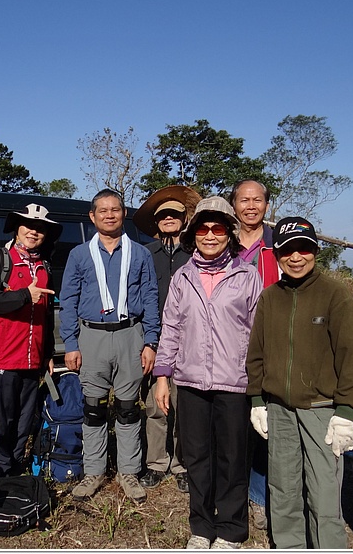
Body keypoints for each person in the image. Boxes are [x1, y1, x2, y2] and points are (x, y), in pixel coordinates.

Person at [246, 216, 353, 549]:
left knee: (324, 494)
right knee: (283, 489)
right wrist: (258, 400)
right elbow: (256, 352)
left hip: (322, 411)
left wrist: (347, 411)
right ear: (278, 255)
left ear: (315, 251)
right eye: (288, 250)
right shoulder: (270, 297)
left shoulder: (334, 294)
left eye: (304, 249)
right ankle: (289, 545)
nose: (296, 257)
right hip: (279, 410)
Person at [153, 196, 263, 549]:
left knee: (232, 459)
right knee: (197, 459)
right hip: (191, 382)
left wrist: (258, 382)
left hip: (234, 383)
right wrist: (162, 376)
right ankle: (202, 527)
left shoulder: (248, 275)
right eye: (204, 228)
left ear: (229, 233)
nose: (210, 235)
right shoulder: (183, 276)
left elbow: (258, 331)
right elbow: (170, 327)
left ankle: (231, 529)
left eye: (218, 228)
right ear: (194, 234)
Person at [59, 188, 160, 504]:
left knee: (129, 409)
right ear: (92, 216)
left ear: (124, 213)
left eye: (115, 209)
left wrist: (151, 341)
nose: (109, 215)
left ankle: (129, 472)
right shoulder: (79, 255)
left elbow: (151, 299)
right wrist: (71, 344)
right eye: (102, 210)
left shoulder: (140, 254)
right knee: (94, 408)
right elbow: (69, 300)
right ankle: (94, 471)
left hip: (131, 334)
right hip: (93, 337)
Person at [0, 203, 62, 477]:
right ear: (16, 227)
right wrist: (24, 295)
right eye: (28, 226)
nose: (34, 232)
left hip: (32, 359)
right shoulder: (0, 260)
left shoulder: (44, 265)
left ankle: (12, 469)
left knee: (24, 419)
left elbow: (47, 314)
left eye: (40, 229)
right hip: (1, 356)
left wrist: (47, 352)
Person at [132, 185, 201, 494]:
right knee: (155, 406)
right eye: (164, 216)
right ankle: (157, 462)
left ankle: (183, 464)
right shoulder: (145, 254)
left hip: (192, 342)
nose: (169, 219)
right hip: (154, 340)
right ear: (157, 223)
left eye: (175, 215)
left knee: (185, 406)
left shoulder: (197, 253)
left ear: (184, 219)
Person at [228, 178, 280, 531]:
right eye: (243, 200)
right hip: (227, 349)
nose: (250, 206)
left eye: (257, 200)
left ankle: (260, 496)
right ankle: (232, 492)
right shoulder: (221, 242)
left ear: (266, 205)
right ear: (234, 205)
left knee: (265, 426)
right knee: (232, 425)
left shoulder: (278, 246)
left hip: (269, 347)